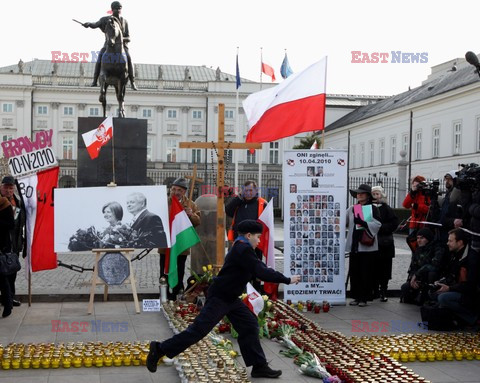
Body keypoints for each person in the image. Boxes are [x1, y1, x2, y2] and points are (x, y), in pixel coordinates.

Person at [146, 220, 301, 378]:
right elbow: (260, 270)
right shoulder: (243, 249)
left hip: (231, 298)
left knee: (249, 324)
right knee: (198, 331)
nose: (259, 241)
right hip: (220, 297)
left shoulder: (241, 246)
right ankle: (159, 349)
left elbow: (256, 268)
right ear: (249, 235)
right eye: (258, 237)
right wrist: (287, 280)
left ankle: (259, 366)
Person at [158, 178, 201, 300]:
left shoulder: (191, 204)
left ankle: (178, 292)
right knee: (164, 269)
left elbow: (198, 221)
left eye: (179, 190)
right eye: (174, 189)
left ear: (184, 192)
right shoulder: (164, 202)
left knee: (180, 269)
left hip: (181, 243)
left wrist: (191, 214)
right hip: (165, 244)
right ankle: (164, 293)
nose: (176, 192)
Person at [83, 1, 138, 90]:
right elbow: (95, 24)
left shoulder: (124, 21)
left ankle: (132, 81)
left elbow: (128, 37)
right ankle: (95, 80)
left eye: (119, 8)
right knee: (100, 57)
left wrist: (120, 39)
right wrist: (89, 24)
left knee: (129, 58)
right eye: (116, 8)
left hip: (122, 46)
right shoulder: (105, 19)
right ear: (112, 9)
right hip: (108, 45)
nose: (117, 10)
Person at [226, 180, 267, 292]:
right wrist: (238, 198)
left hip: (256, 243)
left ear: (256, 191)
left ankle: (256, 291)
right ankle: (241, 292)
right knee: (240, 268)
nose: (248, 193)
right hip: (239, 241)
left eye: (250, 190)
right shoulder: (238, 202)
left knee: (255, 267)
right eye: (246, 190)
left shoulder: (262, 203)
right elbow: (228, 211)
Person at [432, 228, 479, 326]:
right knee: (433, 293)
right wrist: (441, 282)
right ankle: (458, 318)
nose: (447, 243)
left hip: (471, 294)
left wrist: (449, 288)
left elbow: (470, 286)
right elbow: (451, 274)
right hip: (459, 289)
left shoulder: (471, 259)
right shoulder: (455, 254)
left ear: (460, 242)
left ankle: (473, 319)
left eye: (450, 241)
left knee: (443, 298)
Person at [345, 184, 381, 307]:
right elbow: (343, 220)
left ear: (367, 195)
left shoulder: (372, 208)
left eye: (362, 193)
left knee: (366, 273)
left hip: (367, 247)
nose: (359, 195)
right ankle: (356, 296)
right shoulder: (352, 208)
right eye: (358, 193)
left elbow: (377, 224)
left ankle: (364, 297)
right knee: (355, 272)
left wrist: (364, 223)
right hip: (355, 245)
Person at [400, 228, 445, 305]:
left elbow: (434, 265)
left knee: (432, 273)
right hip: (419, 278)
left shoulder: (437, 248)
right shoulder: (418, 250)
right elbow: (413, 266)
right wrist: (412, 278)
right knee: (405, 288)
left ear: (428, 239)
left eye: (422, 238)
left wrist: (417, 274)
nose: (419, 240)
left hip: (432, 278)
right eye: (417, 238)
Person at [0, 176, 25, 309]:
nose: (8, 190)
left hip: (14, 244)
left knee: (12, 271)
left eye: (11, 188)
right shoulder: (0, 201)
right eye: (6, 187)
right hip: (2, 243)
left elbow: (21, 223)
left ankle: (10, 297)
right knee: (1, 273)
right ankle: (5, 298)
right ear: (1, 187)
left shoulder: (18, 202)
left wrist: (23, 244)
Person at [371, 186, 399, 302]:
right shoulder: (369, 207)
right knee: (373, 268)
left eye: (377, 194)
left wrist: (381, 227)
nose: (375, 196)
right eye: (373, 194)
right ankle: (374, 290)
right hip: (372, 242)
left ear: (382, 195)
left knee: (385, 269)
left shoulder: (387, 208)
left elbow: (394, 223)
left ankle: (383, 290)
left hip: (385, 243)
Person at [0, 195, 15, 317]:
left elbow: (11, 224)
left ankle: (8, 305)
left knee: (2, 277)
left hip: (1, 245)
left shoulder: (4, 203)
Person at [437, 171, 461, 243]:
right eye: (446, 179)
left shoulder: (456, 194)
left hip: (451, 229)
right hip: (444, 228)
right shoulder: (448, 193)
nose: (447, 181)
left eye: (449, 179)